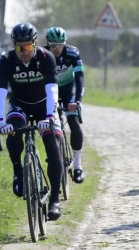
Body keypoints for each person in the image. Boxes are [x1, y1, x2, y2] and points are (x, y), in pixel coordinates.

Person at [0, 22, 64, 220]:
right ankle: (18, 169)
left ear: (35, 43)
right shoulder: (6, 60)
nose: (24, 52)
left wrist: (50, 115)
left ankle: (55, 201)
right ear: (13, 45)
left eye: (28, 47)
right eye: (19, 48)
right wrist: (0, 121)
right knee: (12, 132)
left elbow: (52, 90)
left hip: (44, 106)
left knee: (53, 143)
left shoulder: (46, 57)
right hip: (20, 105)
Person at [44, 27, 85, 184]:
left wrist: (78, 100)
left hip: (69, 90)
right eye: (53, 45)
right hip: (50, 90)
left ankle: (78, 166)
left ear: (64, 44)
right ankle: (53, 150)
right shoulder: (42, 54)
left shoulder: (72, 53)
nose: (57, 49)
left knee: (73, 123)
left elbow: (80, 77)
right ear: (48, 44)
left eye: (60, 45)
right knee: (51, 123)